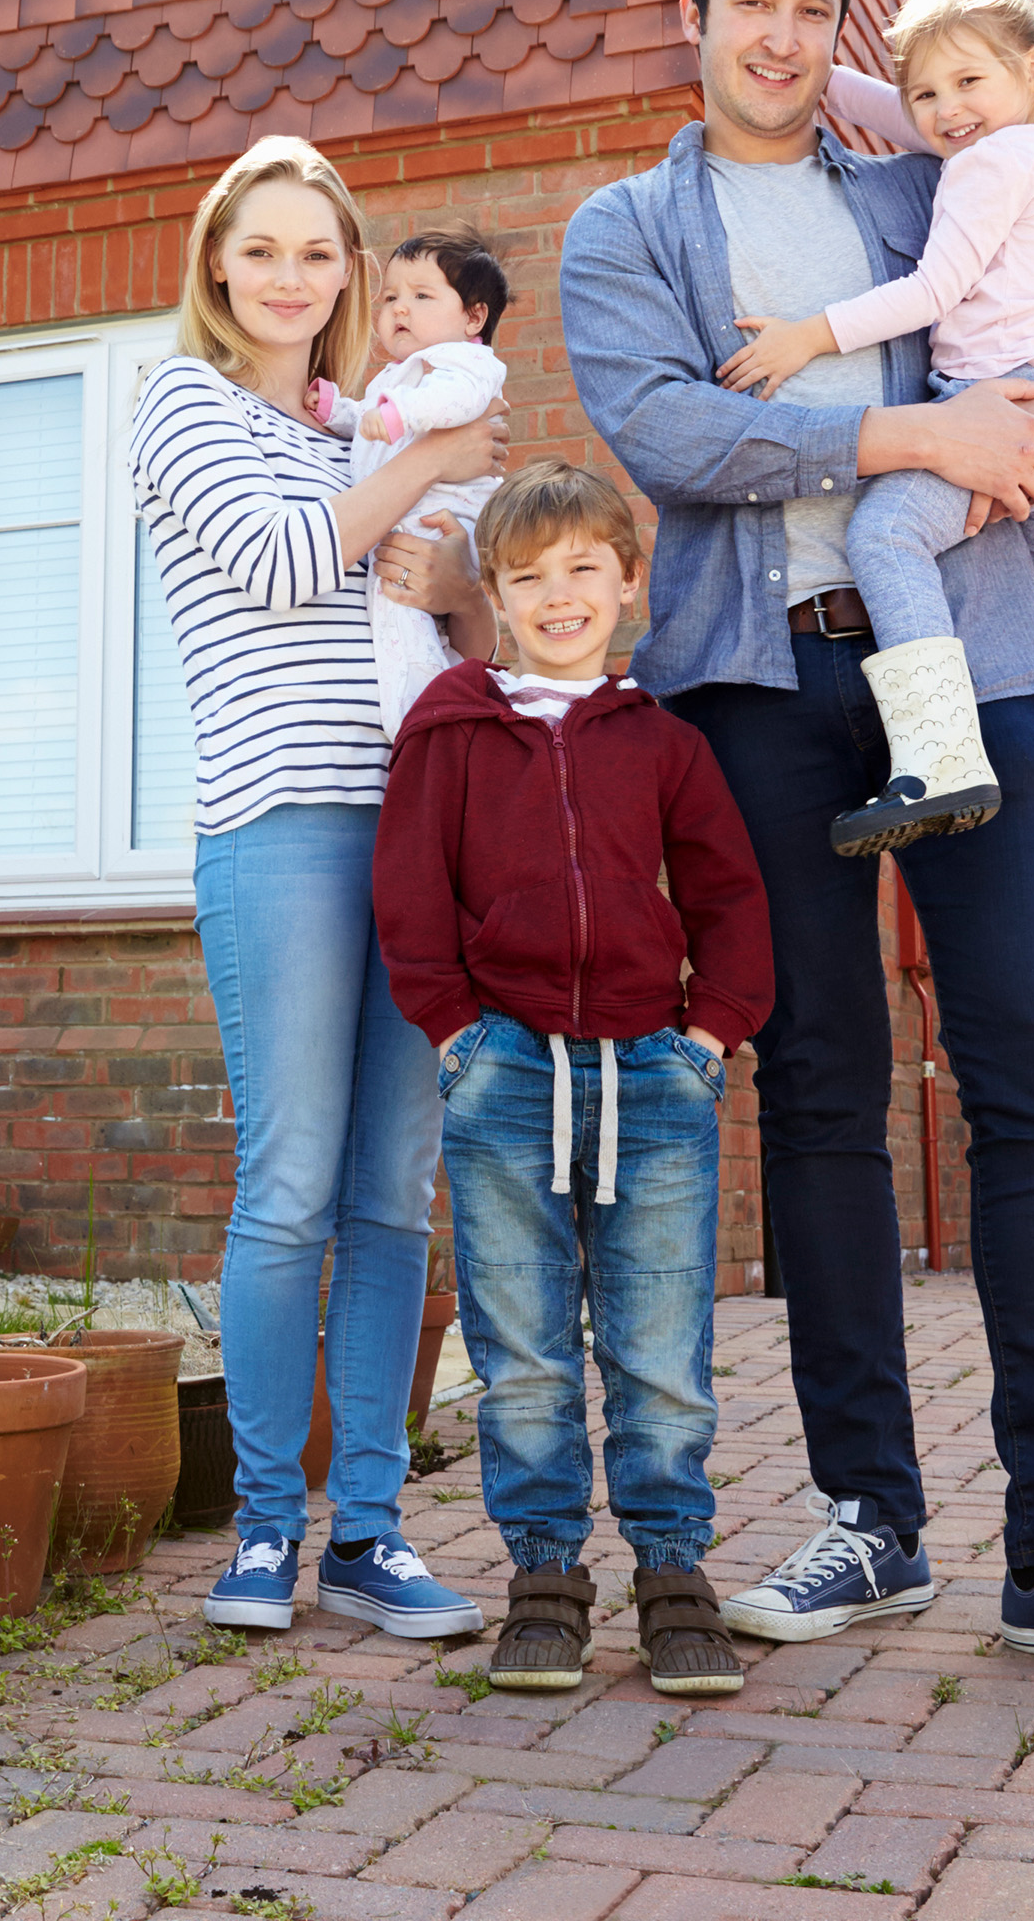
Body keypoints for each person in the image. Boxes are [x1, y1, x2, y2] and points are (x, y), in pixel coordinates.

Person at [560, 0, 1034, 1693]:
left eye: (815, 7)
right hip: (763, 687)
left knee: (1033, 1073)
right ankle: (869, 1513)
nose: (782, 36)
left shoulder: (917, 180)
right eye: (754, 2)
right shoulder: (627, 228)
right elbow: (672, 434)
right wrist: (913, 433)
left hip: (978, 660)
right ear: (696, 15)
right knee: (819, 1089)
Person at [129, 135, 504, 1641]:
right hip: (278, 827)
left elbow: (463, 626)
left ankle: (373, 1532)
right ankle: (264, 1532)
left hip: (416, 828)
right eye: (262, 250)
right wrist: (430, 466)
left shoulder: (363, 424)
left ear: (350, 271)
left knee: (393, 1195)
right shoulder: (183, 400)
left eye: (318, 252)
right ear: (218, 267)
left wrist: (456, 562)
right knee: (288, 1190)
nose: (290, 278)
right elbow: (287, 565)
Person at [373, 460, 773, 1697]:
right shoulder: (450, 731)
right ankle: (544, 1579)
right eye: (529, 576)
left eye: (584, 569)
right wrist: (454, 1031)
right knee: (525, 1350)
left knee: (659, 1349)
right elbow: (409, 893)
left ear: (628, 581)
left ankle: (674, 1573)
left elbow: (728, 893)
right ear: (493, 595)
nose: (559, 595)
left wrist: (712, 1035)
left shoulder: (663, 742)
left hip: (655, 1077)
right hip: (503, 1073)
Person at [713, 0, 1034, 856]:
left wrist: (805, 338)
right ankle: (991, 775)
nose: (944, 109)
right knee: (1019, 670)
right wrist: (817, 71)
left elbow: (933, 290)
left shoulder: (987, 167)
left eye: (966, 82)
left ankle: (936, 762)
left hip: (1004, 417)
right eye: (926, 92)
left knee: (886, 538)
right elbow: (903, 118)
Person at [311, 227, 515, 738]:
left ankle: (421, 718)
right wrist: (340, 413)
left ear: (474, 318)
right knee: (406, 616)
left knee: (398, 610)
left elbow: (456, 403)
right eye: (390, 298)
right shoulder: (399, 375)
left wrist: (400, 413)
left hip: (442, 520)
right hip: (411, 519)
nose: (400, 308)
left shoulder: (467, 362)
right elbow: (372, 427)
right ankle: (434, 705)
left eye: (422, 296)